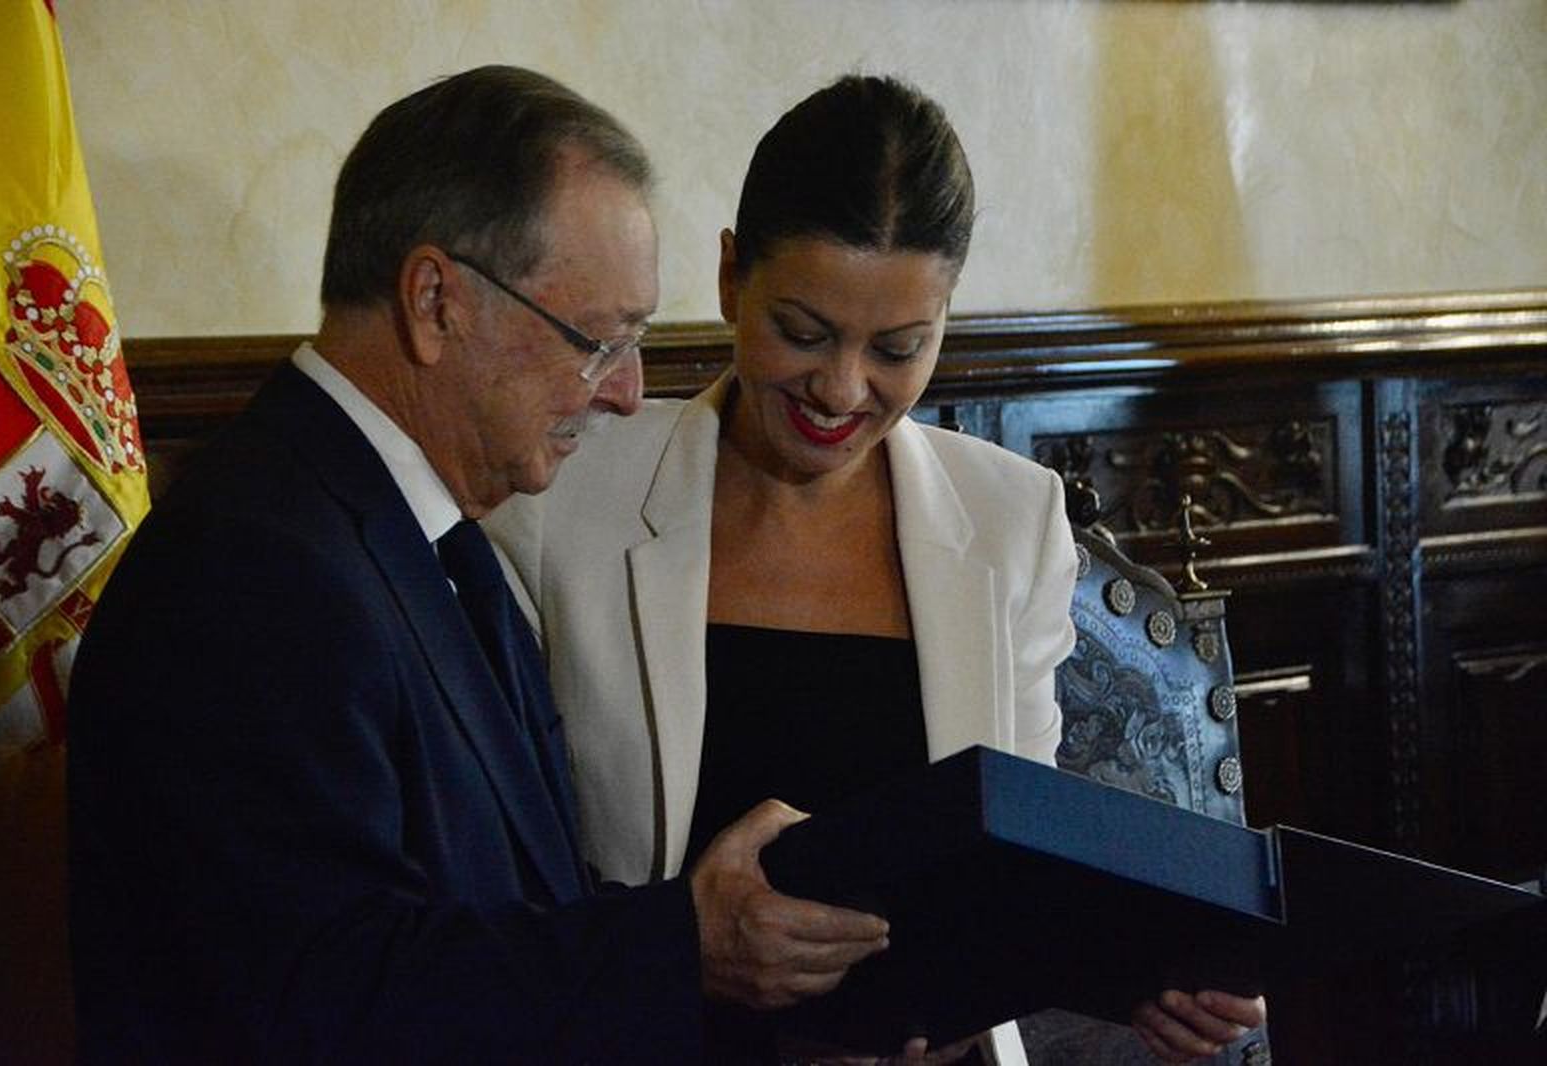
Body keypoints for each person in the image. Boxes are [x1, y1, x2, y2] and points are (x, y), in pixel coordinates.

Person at [65, 65, 892, 1065]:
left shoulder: (428, 535)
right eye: (599, 341)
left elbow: (519, 905)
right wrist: (681, 944)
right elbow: (323, 999)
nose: (627, 393)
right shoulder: (250, 569)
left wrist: (756, 977)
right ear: (435, 302)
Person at [484, 74, 1267, 1064]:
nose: (841, 389)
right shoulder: (562, 495)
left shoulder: (1010, 519)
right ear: (730, 279)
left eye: (897, 348)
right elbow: (500, 877)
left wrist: (1141, 971)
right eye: (802, 333)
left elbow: (1016, 861)